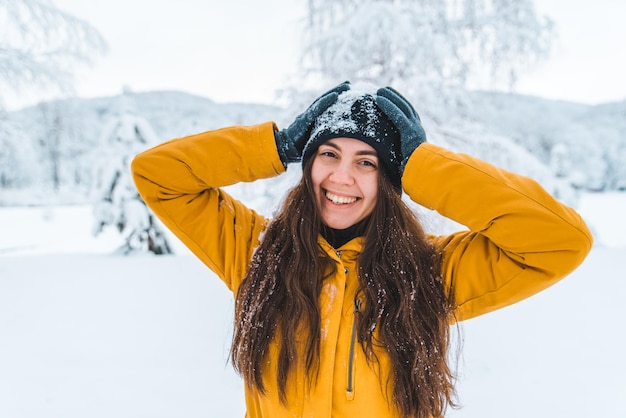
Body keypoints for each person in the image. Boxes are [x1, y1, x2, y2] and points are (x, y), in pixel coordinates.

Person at [131, 81, 592, 418]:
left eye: (366, 162)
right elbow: (158, 174)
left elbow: (560, 240)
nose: (341, 177)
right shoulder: (256, 256)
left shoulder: (431, 273)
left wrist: (423, 167)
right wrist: (274, 146)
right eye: (328, 154)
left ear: (391, 183)